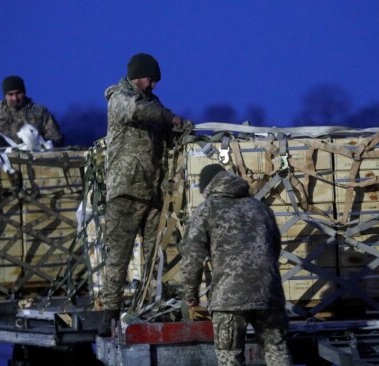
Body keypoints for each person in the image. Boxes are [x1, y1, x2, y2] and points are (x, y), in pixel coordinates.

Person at [98, 53, 188, 334]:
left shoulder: (152, 103)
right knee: (118, 259)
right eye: (152, 79)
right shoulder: (120, 97)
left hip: (152, 193)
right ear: (139, 76)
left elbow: (163, 127)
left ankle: (149, 309)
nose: (154, 86)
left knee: (155, 258)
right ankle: (109, 315)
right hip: (125, 191)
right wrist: (170, 117)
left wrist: (181, 132)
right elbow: (139, 112)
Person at [181, 164, 293, 366]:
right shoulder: (261, 207)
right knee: (277, 353)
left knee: (230, 359)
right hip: (269, 295)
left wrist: (190, 294)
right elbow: (275, 247)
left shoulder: (208, 209)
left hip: (229, 299)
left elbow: (193, 257)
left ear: (208, 186)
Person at [0, 75, 63, 147]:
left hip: (37, 163)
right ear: (5, 96)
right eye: (10, 94)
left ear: (24, 92)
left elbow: (56, 138)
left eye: (18, 93)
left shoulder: (40, 112)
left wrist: (41, 144)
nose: (15, 98)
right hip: (6, 167)